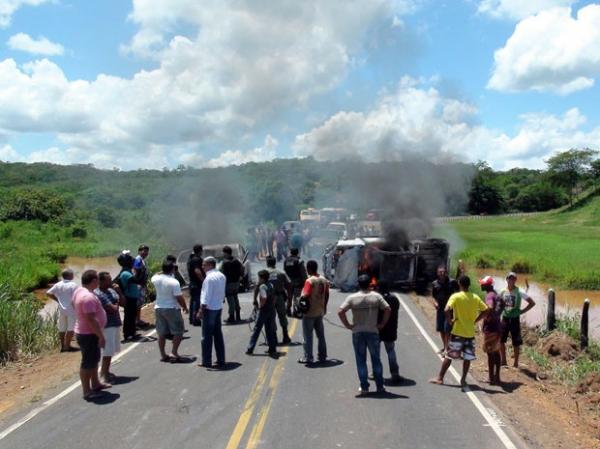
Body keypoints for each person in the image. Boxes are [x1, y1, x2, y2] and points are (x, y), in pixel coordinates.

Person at [430, 275, 488, 390]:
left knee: (450, 355)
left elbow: (446, 309)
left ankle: (440, 378)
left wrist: (450, 321)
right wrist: (476, 320)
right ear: (469, 285)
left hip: (457, 332)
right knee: (467, 358)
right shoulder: (475, 297)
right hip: (470, 333)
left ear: (460, 284)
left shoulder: (456, 296)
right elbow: (486, 310)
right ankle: (463, 380)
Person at [339, 275, 391, 396]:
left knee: (361, 360)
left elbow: (340, 311)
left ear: (358, 284)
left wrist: (348, 325)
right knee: (376, 360)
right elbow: (388, 309)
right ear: (369, 284)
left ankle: (364, 387)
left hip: (357, 332)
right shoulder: (376, 296)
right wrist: (382, 324)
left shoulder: (352, 297)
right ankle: (379, 386)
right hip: (373, 332)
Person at [73, 270, 109, 400]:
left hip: (87, 332)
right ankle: (86, 391)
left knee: (94, 360)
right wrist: (101, 336)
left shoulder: (79, 291)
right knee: (88, 362)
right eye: (97, 280)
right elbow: (91, 319)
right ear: (94, 281)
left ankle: (95, 383)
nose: (99, 282)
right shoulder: (87, 297)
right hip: (89, 334)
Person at [151, 260, 189, 362]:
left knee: (161, 333)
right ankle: (174, 352)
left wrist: (163, 270)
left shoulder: (155, 279)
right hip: (171, 308)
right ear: (172, 269)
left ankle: (163, 354)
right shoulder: (174, 282)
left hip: (159, 307)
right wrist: (185, 307)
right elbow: (179, 297)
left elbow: (156, 274)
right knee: (178, 331)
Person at [500, 272, 535, 368]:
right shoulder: (502, 291)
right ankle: (503, 361)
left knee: (516, 342)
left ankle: (515, 363)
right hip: (505, 318)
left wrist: (522, 311)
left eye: (513, 278)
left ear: (515, 280)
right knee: (501, 340)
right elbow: (498, 303)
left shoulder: (520, 291)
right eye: (509, 278)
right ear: (506, 279)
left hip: (515, 319)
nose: (511, 280)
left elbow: (532, 303)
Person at [95, 272, 124, 383]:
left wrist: (119, 292)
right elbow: (112, 309)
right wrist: (116, 302)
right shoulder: (98, 294)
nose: (111, 281)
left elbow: (123, 303)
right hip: (106, 326)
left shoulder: (112, 291)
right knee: (107, 351)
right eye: (108, 280)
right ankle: (103, 374)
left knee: (111, 350)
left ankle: (106, 371)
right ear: (100, 281)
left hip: (115, 323)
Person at [298, 260, 329, 364]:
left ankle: (308, 357)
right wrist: (324, 307)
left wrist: (300, 307)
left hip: (309, 313)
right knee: (321, 335)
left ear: (308, 269)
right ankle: (322, 356)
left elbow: (305, 295)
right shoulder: (324, 280)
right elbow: (327, 294)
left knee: (308, 336)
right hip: (320, 311)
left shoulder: (309, 281)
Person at [197, 257, 226, 368]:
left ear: (210, 265)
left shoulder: (209, 278)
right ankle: (221, 359)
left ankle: (206, 361)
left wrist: (201, 310)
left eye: (204, 265)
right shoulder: (221, 276)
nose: (202, 267)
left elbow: (206, 297)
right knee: (218, 334)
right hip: (218, 307)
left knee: (206, 337)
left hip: (209, 309)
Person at [246, 270, 278, 358]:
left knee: (256, 329)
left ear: (262, 278)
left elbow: (263, 297)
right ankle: (272, 348)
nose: (258, 279)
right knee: (269, 330)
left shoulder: (263, 286)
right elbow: (275, 297)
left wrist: (260, 307)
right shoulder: (271, 285)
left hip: (264, 310)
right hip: (271, 309)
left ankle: (250, 348)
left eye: (259, 278)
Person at [479, 276, 505, 385]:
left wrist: (484, 317)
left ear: (488, 285)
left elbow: (489, 307)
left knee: (490, 353)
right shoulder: (497, 294)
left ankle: (491, 378)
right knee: (496, 352)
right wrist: (496, 316)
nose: (481, 285)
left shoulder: (489, 295)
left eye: (483, 284)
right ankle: (497, 376)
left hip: (490, 328)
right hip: (498, 327)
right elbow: (503, 304)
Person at [46, 269, 78, 352]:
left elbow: (48, 293)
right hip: (71, 309)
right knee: (71, 328)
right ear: (70, 276)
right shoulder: (73, 284)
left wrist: (57, 300)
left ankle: (62, 346)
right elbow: (76, 296)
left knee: (62, 328)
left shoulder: (58, 284)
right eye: (72, 274)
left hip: (61, 309)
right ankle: (67, 346)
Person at [377, 281, 402, 384]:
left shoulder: (377, 299)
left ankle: (377, 372)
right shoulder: (394, 299)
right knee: (391, 351)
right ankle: (395, 373)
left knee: (376, 352)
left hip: (378, 328)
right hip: (391, 329)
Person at [266, 256, 292, 344]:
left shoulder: (264, 273)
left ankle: (274, 338)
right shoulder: (281, 272)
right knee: (282, 316)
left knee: (271, 318)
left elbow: (258, 287)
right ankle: (286, 336)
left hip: (269, 299)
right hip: (280, 297)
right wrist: (289, 299)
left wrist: (256, 300)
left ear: (267, 263)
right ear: (275, 263)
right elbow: (289, 285)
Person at [431, 265, 457, 354]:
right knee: (441, 329)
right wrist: (435, 303)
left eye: (443, 272)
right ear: (437, 273)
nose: (442, 273)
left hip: (450, 310)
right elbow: (433, 296)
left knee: (447, 329)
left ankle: (446, 349)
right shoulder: (434, 284)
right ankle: (445, 346)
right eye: (440, 272)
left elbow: (458, 293)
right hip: (440, 310)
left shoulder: (452, 282)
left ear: (446, 272)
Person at [117, 251, 141, 341]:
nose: (132, 262)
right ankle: (128, 334)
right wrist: (139, 269)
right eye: (131, 261)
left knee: (132, 315)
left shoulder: (126, 272)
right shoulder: (126, 273)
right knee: (129, 316)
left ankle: (132, 332)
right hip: (129, 298)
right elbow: (137, 280)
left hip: (132, 297)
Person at [221, 246, 244, 323]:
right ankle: (238, 316)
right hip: (236, 283)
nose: (223, 254)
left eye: (223, 252)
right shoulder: (236, 261)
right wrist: (240, 276)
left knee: (230, 300)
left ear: (226, 253)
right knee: (235, 298)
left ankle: (231, 317)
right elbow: (242, 269)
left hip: (229, 283)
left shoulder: (225, 262)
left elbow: (221, 273)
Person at [187, 244, 205, 326]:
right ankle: (196, 319)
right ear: (200, 250)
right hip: (197, 284)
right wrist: (203, 281)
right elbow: (197, 271)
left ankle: (192, 319)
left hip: (192, 283)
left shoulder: (191, 258)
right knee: (197, 302)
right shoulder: (197, 259)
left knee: (193, 301)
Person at [133, 244, 150, 328]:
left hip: (142, 284)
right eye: (144, 251)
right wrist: (137, 285)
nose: (146, 252)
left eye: (147, 251)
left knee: (139, 304)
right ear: (139, 251)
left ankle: (138, 320)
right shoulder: (138, 260)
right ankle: (136, 321)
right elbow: (135, 272)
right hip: (138, 285)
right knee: (137, 304)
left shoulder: (142, 260)